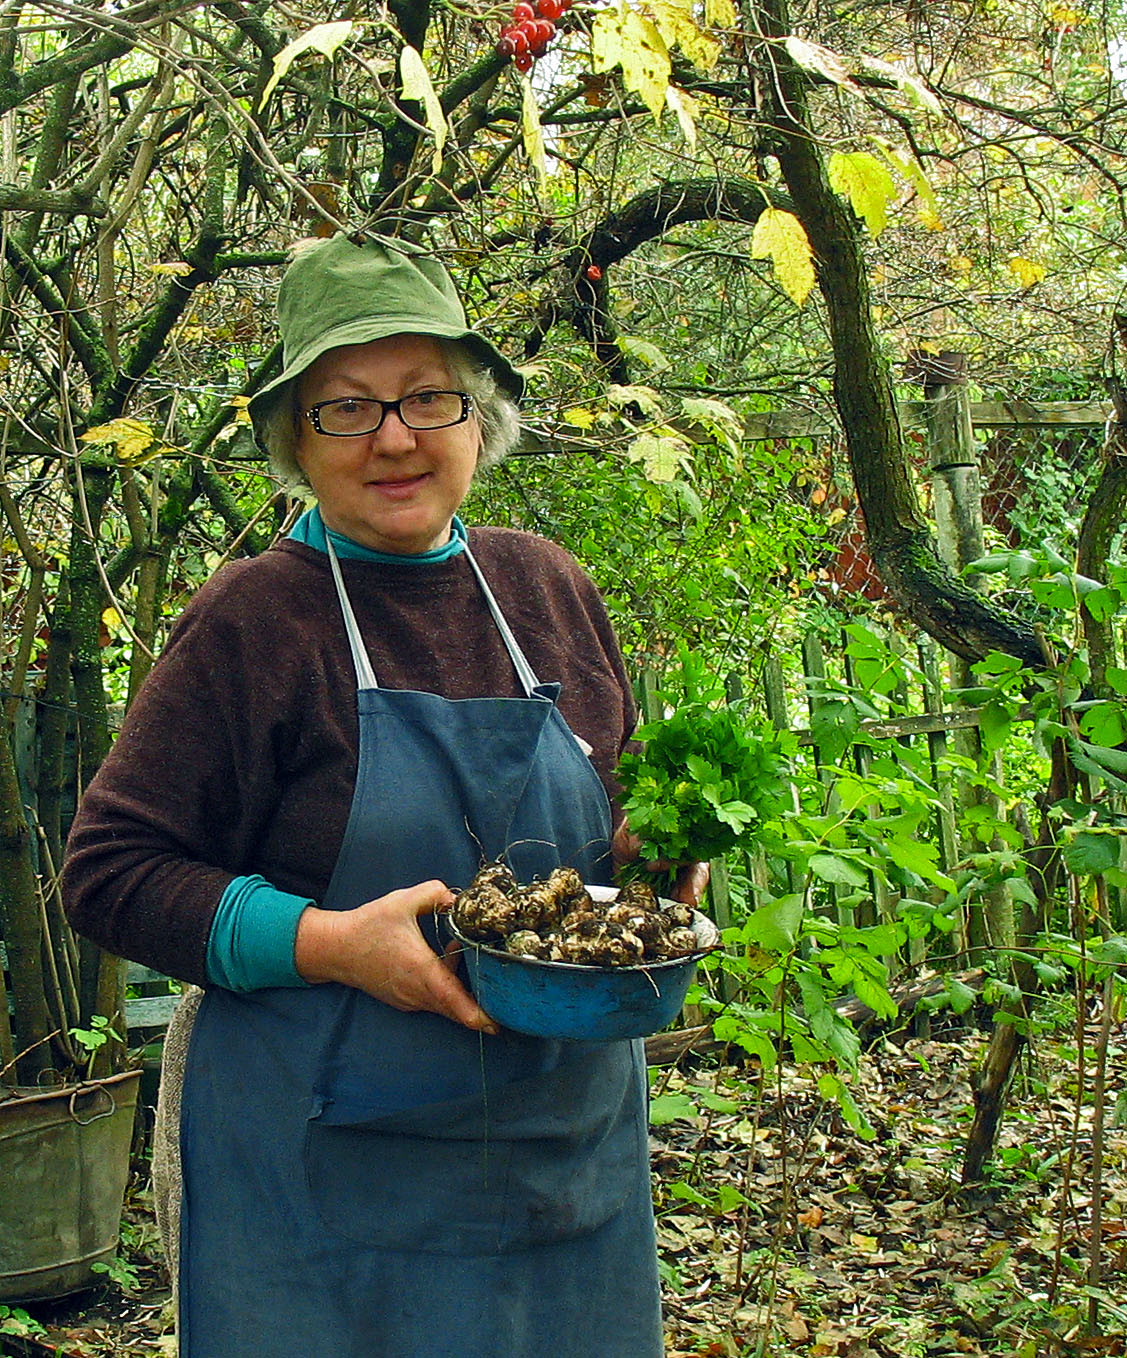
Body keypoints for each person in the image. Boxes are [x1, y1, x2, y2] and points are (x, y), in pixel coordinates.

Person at [61, 232, 701, 1357]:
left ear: (477, 416)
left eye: (426, 397)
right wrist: (329, 941)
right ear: (294, 441)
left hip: (564, 1169)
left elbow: (611, 838)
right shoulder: (254, 620)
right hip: (332, 1198)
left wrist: (657, 867)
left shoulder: (545, 586)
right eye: (345, 408)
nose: (394, 436)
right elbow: (111, 872)